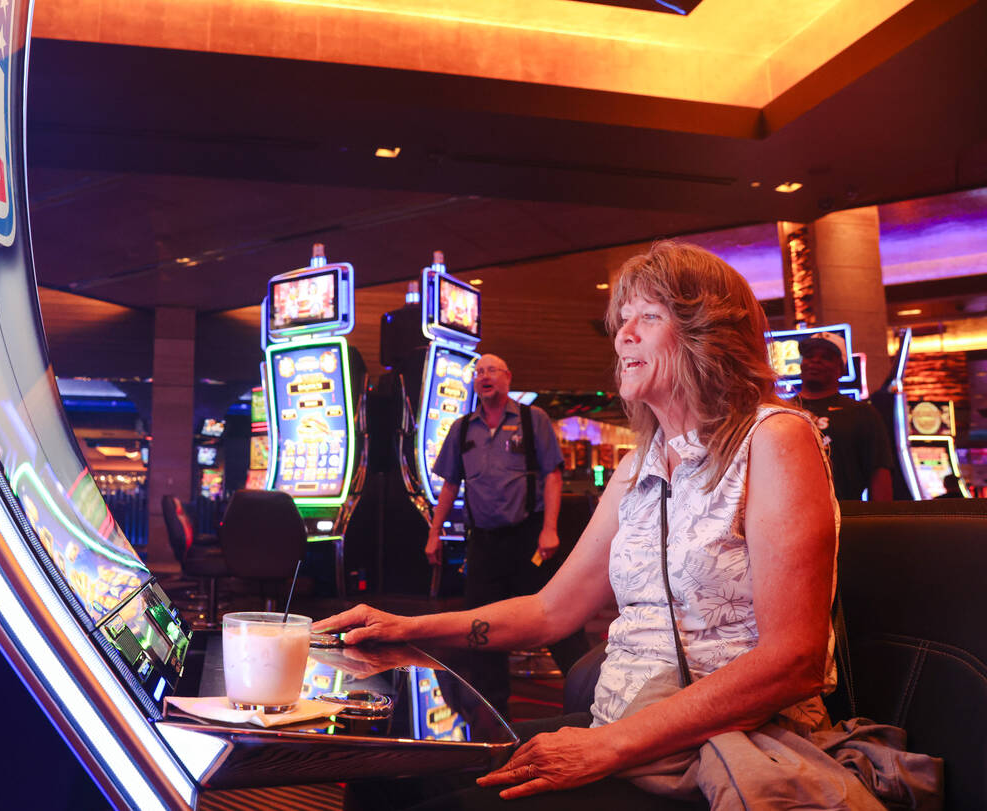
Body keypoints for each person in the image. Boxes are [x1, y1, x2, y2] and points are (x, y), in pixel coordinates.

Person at [319, 241, 844, 809]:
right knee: (382, 776)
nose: (623, 335)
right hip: (617, 727)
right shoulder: (637, 465)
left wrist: (609, 747)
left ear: (708, 332)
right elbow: (550, 612)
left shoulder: (774, 438)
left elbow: (794, 661)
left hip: (718, 746)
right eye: (621, 321)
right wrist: (406, 627)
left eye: (648, 317)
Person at [423, 353, 571, 717]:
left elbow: (553, 475)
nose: (485, 377)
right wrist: (434, 532)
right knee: (482, 626)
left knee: (552, 618)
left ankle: (587, 690)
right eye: (479, 372)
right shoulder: (461, 429)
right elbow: (449, 485)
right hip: (484, 542)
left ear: (507, 378)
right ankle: (494, 709)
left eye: (492, 371)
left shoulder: (531, 419)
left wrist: (550, 528)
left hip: (528, 538)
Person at [791, 331, 893, 501]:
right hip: (786, 517)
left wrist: (883, 522)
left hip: (846, 516)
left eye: (826, 357)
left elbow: (879, 471)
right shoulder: (781, 409)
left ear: (841, 369)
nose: (815, 360)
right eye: (809, 356)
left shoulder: (861, 413)